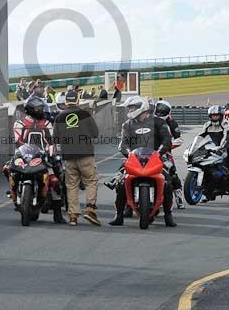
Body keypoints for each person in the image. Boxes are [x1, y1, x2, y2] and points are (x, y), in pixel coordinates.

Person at [109, 95, 176, 227]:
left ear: (142, 107)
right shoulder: (127, 125)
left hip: (156, 157)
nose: (130, 110)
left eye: (133, 107)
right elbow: (123, 143)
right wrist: (128, 153)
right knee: (120, 182)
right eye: (130, 108)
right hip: (134, 158)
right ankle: (119, 215)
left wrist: (160, 152)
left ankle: (168, 215)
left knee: (168, 181)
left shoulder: (158, 122)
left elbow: (167, 140)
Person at [7, 96, 65, 224]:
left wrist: (51, 154)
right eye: (40, 108)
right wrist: (20, 151)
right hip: (24, 156)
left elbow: (51, 142)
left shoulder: (46, 124)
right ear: (33, 109)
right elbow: (17, 141)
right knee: (7, 168)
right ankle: (13, 192)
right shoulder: (20, 123)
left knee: (55, 180)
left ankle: (58, 214)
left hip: (42, 157)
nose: (42, 111)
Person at [53, 89, 100, 226]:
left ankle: (73, 216)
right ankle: (90, 210)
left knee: (71, 185)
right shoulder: (85, 114)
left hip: (68, 157)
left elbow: (55, 138)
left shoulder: (60, 117)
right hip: (86, 154)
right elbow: (95, 133)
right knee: (91, 181)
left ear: (66, 101)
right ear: (78, 100)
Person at [199, 105, 229, 202]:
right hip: (214, 148)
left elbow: (226, 138)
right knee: (206, 167)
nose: (214, 117)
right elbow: (200, 138)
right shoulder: (207, 125)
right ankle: (207, 193)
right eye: (213, 115)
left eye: (216, 115)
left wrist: (221, 148)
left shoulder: (225, 124)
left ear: (221, 115)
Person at [154, 100, 185, 209]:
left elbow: (179, 140)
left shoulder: (172, 123)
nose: (160, 113)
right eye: (158, 111)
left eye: (163, 112)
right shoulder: (149, 120)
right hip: (149, 152)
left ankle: (179, 198)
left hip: (165, 153)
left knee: (173, 173)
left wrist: (167, 145)